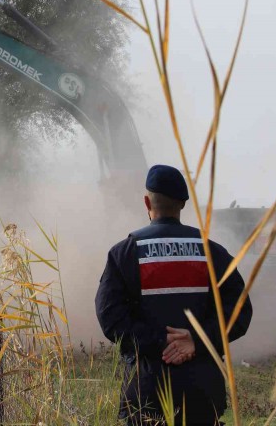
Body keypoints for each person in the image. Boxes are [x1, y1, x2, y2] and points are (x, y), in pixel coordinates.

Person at [95, 164, 253, 425]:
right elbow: (240, 311)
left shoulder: (124, 253)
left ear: (147, 201)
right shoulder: (213, 252)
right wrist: (196, 340)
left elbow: (110, 319)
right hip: (202, 393)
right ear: (182, 204)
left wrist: (159, 341)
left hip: (147, 393)